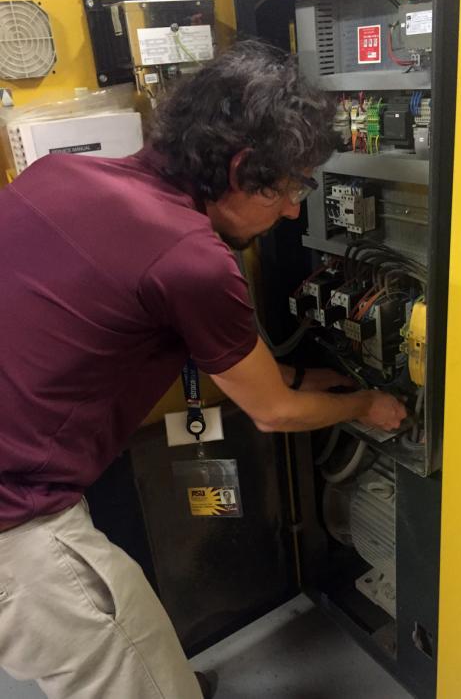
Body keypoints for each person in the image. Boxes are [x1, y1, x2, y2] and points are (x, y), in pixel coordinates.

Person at [0, 40, 406, 699]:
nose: (293, 212)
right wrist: (366, 405)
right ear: (244, 167)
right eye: (293, 185)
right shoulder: (190, 258)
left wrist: (302, 383)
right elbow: (271, 411)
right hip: (16, 520)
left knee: (144, 656)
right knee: (137, 678)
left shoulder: (58, 175)